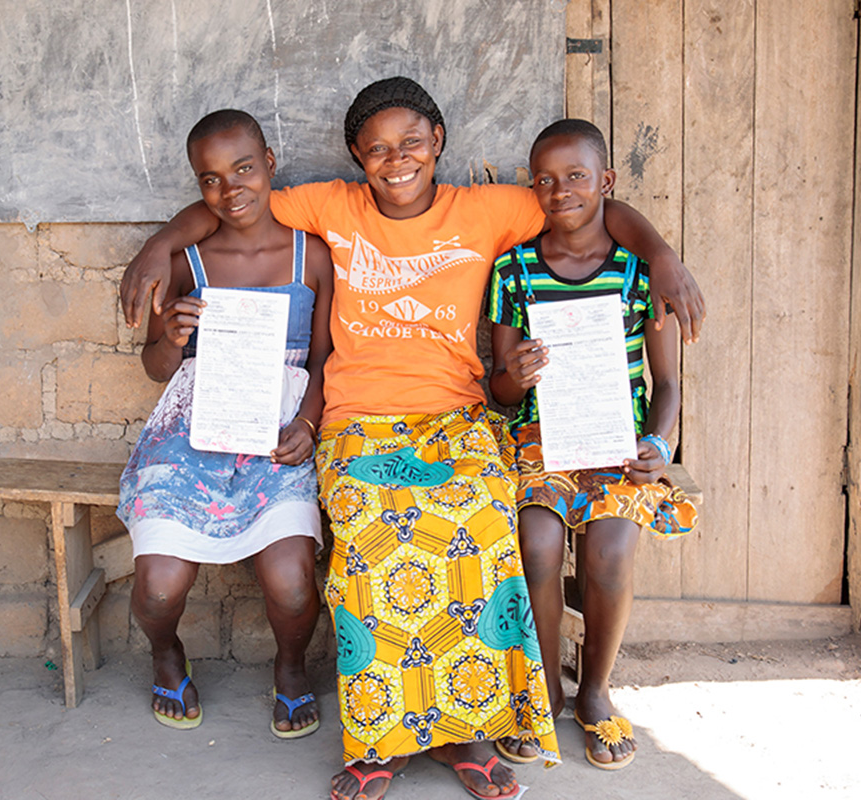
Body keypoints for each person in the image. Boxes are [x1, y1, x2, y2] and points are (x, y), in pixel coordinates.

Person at [120, 78, 706, 800]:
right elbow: (232, 201)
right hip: (356, 419)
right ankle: (380, 742)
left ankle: (466, 731)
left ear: (439, 144)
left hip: (457, 418)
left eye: (411, 144)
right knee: (369, 537)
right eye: (376, 150)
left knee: (482, 524)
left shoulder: (488, 210)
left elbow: (588, 202)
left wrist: (665, 255)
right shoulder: (329, 205)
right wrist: (160, 244)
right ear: (356, 159)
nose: (395, 161)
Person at [487, 119, 699, 770]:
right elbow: (498, 391)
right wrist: (512, 375)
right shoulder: (514, 268)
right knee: (539, 541)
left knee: (608, 552)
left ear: (605, 181)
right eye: (544, 181)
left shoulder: (638, 273)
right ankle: (547, 687)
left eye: (576, 177)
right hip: (540, 437)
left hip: (616, 444)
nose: (560, 192)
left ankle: (596, 692)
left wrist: (659, 444)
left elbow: (666, 385)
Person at [116, 109, 334, 740]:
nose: (230, 189)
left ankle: (290, 668)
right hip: (194, 430)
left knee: (292, 583)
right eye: (209, 179)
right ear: (197, 187)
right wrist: (172, 337)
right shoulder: (189, 263)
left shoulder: (309, 256)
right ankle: (165, 652)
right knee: (157, 586)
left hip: (278, 431)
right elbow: (157, 367)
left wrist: (310, 423)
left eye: (243, 168)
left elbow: (324, 359)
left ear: (271, 164)